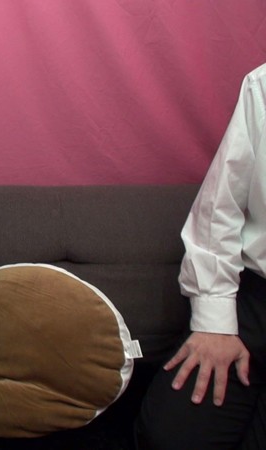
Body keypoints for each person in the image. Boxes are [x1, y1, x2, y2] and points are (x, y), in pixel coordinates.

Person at [136, 63, 266, 449]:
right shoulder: (261, 85)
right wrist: (215, 321)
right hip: (255, 296)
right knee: (170, 436)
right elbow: (220, 206)